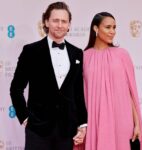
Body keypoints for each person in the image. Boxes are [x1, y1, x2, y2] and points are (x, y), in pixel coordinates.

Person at [10, 2, 87, 150]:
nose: (60, 25)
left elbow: (78, 92)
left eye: (64, 21)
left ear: (69, 24)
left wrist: (82, 124)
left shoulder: (77, 53)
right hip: (38, 130)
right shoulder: (30, 51)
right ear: (46, 22)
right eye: (55, 20)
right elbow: (16, 88)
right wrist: (25, 118)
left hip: (67, 130)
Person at [82, 12, 142, 150]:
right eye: (108, 27)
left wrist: (137, 124)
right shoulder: (84, 57)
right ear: (95, 28)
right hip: (95, 121)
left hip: (122, 120)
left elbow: (130, 93)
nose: (112, 31)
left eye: (114, 27)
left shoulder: (122, 55)